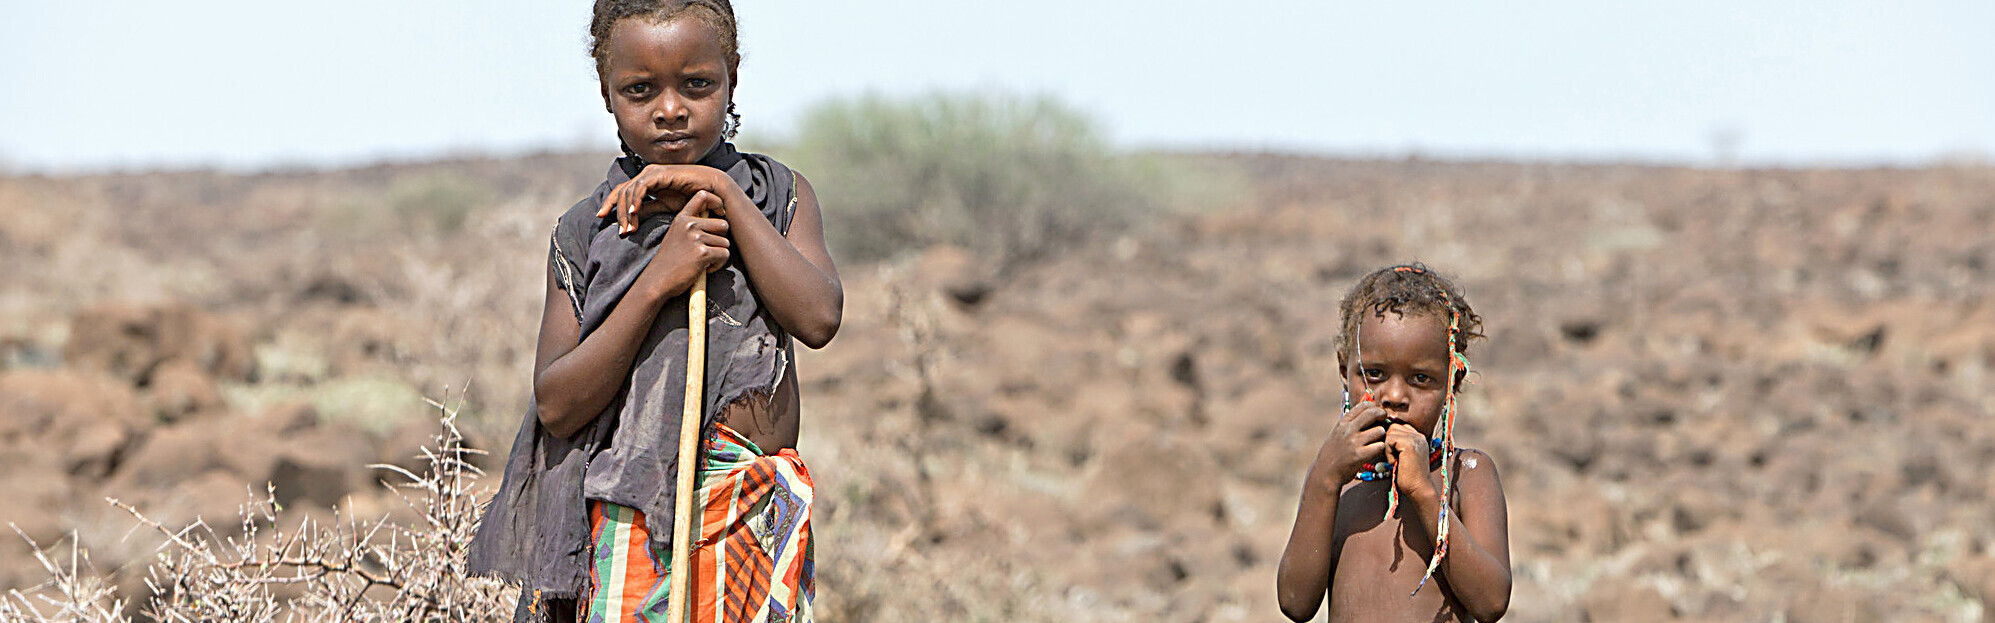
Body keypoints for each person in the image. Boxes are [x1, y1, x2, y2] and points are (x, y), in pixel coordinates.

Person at [470, 1, 843, 621]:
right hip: (628, 518)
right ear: (607, 94)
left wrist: (721, 190)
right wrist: (655, 282)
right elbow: (558, 404)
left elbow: (819, 318)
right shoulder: (586, 230)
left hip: (748, 515)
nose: (670, 109)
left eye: (697, 85)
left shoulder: (779, 196)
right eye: (640, 90)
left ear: (732, 79)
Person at [1276, 263, 1510, 622]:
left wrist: (1423, 492)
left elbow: (1491, 602)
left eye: (1420, 378)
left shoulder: (1465, 474)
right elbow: (1295, 602)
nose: (1395, 396)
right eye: (1374, 374)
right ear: (1344, 371)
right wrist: (1323, 477)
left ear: (1453, 381)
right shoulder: (1337, 482)